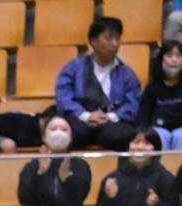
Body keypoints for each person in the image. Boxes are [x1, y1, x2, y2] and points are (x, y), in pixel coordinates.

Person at [54, 17, 143, 150]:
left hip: (112, 123)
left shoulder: (126, 72)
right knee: (64, 133)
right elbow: (63, 95)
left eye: (117, 39)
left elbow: (133, 103)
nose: (115, 44)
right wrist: (86, 116)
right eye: (109, 39)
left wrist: (110, 117)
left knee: (129, 135)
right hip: (80, 120)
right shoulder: (74, 67)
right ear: (94, 41)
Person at [141, 40, 182, 151]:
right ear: (161, 59)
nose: (174, 60)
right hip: (159, 128)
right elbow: (143, 117)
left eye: (178, 56)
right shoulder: (152, 87)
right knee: (160, 136)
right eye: (169, 56)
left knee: (181, 137)